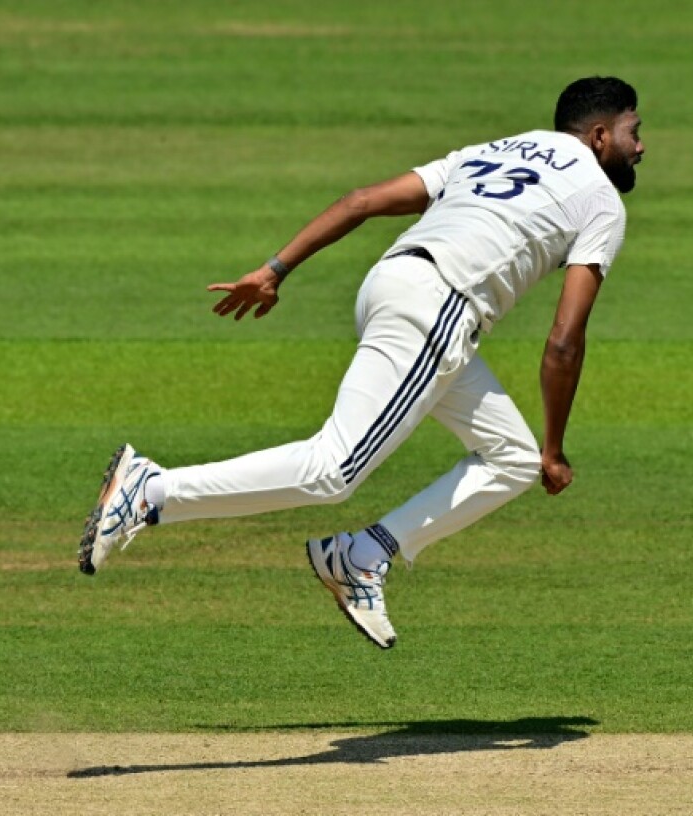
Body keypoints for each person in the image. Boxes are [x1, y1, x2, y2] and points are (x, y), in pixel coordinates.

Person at [78, 76, 644, 650]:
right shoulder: (600, 201)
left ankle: (362, 555)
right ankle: (152, 491)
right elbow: (564, 342)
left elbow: (361, 202)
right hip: (439, 308)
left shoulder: (495, 149)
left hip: (390, 285)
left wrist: (276, 269)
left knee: (513, 460)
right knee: (334, 470)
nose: (641, 145)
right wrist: (556, 446)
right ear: (599, 136)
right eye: (633, 130)